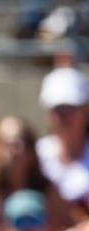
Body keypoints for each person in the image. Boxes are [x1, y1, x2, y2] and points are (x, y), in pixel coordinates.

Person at [35, 66, 89, 206]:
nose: (64, 118)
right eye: (58, 111)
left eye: (70, 109)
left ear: (85, 111)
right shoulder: (36, 154)